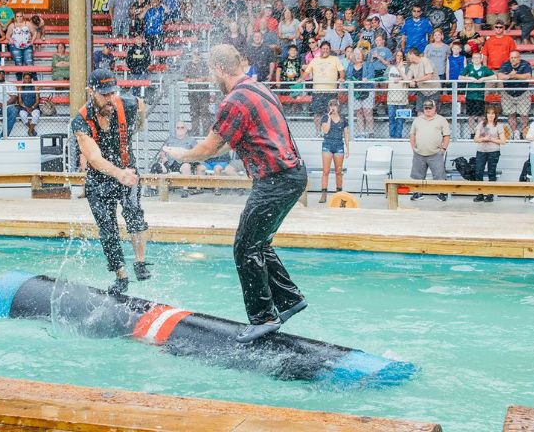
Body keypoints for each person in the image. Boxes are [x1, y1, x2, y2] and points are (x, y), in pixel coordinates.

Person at [163, 45, 307, 343]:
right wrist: (200, 152)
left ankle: (263, 317)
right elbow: (230, 141)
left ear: (218, 68)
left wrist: (183, 155)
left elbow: (209, 148)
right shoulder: (257, 88)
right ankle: (289, 299)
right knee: (259, 243)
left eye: (210, 70)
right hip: (292, 176)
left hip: (275, 180)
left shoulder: (234, 100)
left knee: (245, 247)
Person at [70, 68, 149, 294]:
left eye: (112, 93)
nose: (110, 98)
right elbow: (94, 158)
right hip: (99, 178)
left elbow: (141, 105)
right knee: (107, 228)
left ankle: (140, 262)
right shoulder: (81, 121)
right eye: (104, 94)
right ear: (91, 92)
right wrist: (118, 173)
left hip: (127, 169)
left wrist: (137, 125)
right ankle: (121, 275)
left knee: (134, 214)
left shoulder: (128, 104)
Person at [409, 99, 450, 201]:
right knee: (417, 175)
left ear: (435, 108)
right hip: (419, 153)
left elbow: (446, 136)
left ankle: (442, 194)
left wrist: (443, 149)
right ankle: (417, 193)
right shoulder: (417, 120)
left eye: (430, 108)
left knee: (439, 175)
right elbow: (412, 134)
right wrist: (413, 148)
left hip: (435, 153)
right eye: (426, 108)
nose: (428, 110)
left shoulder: (441, 120)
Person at [304, 40, 344, 133]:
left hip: (331, 92)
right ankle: (318, 132)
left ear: (330, 50)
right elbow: (307, 72)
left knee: (332, 112)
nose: (325, 50)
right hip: (318, 92)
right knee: (317, 113)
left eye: (327, 49)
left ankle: (330, 132)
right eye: (323, 48)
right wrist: (301, 79)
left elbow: (341, 71)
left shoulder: (335, 59)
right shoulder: (315, 60)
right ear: (320, 49)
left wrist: (341, 77)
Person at [317, 98, 350, 203]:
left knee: (338, 172)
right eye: (331, 105)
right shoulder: (325, 117)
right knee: (325, 171)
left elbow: (346, 134)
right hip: (327, 145)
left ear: (338, 107)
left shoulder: (343, 119)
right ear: (329, 107)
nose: (333, 107)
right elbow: (326, 131)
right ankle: (324, 194)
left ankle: (338, 194)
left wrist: (348, 149)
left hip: (339, 145)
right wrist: (329, 118)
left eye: (335, 105)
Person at [473, 104, 507, 202]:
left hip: (493, 152)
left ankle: (490, 195)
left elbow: (503, 141)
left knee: (491, 172)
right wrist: (484, 139)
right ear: (486, 114)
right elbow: (475, 139)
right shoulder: (481, 124)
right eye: (489, 113)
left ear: (495, 115)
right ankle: (480, 194)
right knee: (478, 172)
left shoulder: (499, 126)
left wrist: (491, 139)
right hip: (481, 151)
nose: (491, 115)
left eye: (493, 113)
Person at [498, 51, 533, 140]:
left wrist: (515, 75)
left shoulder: (525, 64)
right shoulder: (505, 64)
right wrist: (510, 76)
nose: (513, 59)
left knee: (524, 114)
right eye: (511, 58)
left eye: (515, 57)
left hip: (523, 93)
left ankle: (523, 133)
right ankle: (514, 133)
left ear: (519, 58)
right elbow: (500, 76)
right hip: (508, 93)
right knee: (511, 114)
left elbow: (528, 76)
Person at [459, 51, 497, 133]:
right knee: (471, 115)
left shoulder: (484, 68)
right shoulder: (469, 67)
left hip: (480, 95)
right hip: (470, 95)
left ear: (481, 59)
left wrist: (483, 79)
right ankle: (472, 132)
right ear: (472, 59)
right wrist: (470, 78)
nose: (476, 59)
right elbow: (460, 77)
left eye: (478, 58)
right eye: (474, 58)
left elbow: (494, 76)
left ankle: (479, 132)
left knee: (480, 116)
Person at [346, 48, 375, 138]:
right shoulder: (350, 65)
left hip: (367, 90)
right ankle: (361, 132)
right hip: (355, 92)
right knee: (359, 112)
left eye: (359, 53)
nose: (357, 55)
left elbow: (372, 75)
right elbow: (348, 76)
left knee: (368, 112)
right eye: (356, 54)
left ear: (363, 55)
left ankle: (371, 132)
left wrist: (367, 78)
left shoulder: (368, 64)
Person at [386, 52, 412, 138]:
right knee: (391, 117)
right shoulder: (390, 67)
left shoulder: (406, 68)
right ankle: (392, 136)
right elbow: (385, 78)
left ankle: (398, 136)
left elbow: (408, 80)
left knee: (400, 118)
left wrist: (400, 77)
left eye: (401, 56)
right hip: (391, 96)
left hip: (402, 96)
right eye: (397, 55)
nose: (399, 57)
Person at [18, 71, 41, 137]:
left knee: (36, 115)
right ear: (23, 79)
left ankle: (29, 131)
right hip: (24, 107)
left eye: (29, 78)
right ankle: (32, 130)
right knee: (22, 114)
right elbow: (20, 101)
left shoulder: (35, 88)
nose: (27, 80)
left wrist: (32, 107)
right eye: (25, 78)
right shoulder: (20, 88)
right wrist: (26, 108)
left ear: (31, 79)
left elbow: (37, 101)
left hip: (34, 107)